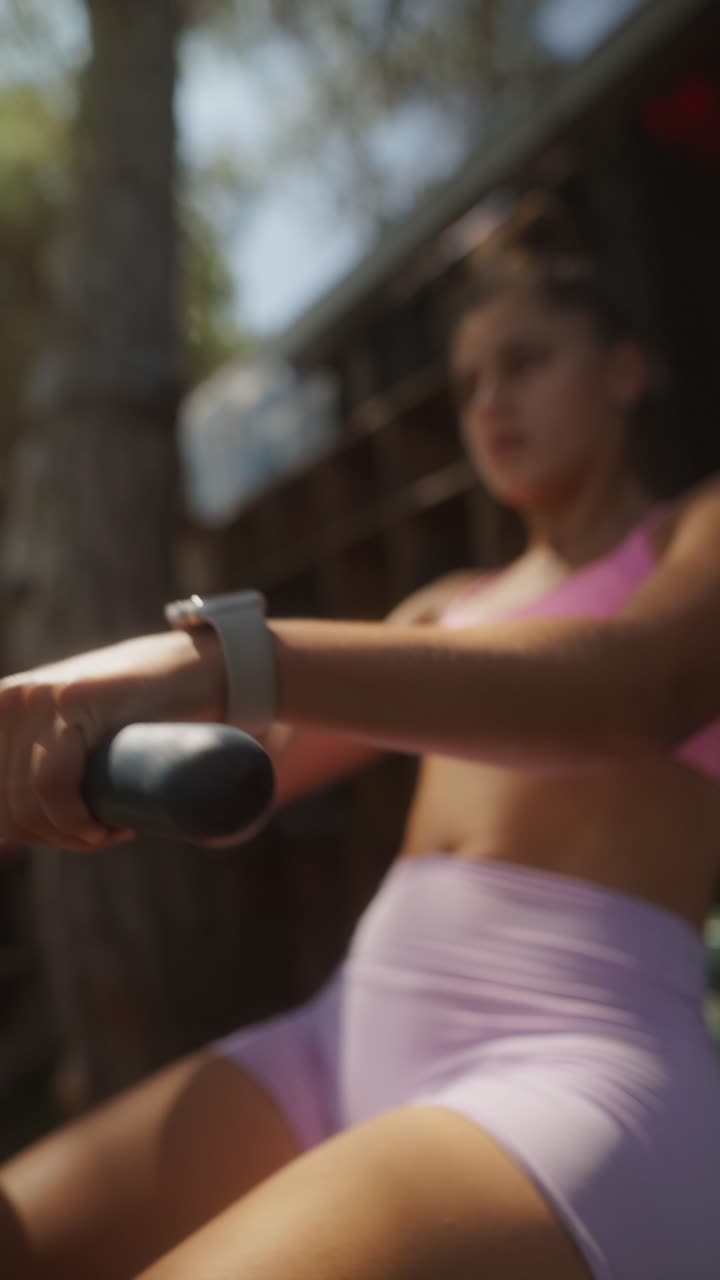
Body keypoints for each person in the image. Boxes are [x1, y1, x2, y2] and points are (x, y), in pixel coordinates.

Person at [1, 193, 720, 1280]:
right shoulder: (449, 604)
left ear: (625, 369)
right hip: (341, 1033)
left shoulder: (696, 535)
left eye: (525, 362)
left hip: (569, 1072)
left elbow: (637, 692)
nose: (490, 402)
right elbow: (267, 758)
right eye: (471, 380)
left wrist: (217, 653)